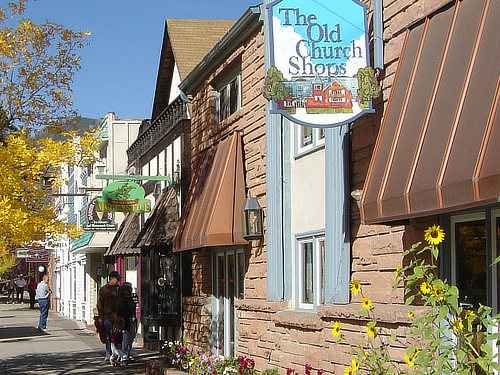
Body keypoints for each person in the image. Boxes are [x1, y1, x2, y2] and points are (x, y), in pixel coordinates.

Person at [97, 271, 120, 363]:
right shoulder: (103, 290)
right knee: (108, 336)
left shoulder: (119, 289)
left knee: (117, 335)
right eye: (117, 279)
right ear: (112, 279)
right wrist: (100, 316)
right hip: (107, 316)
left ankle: (117, 353)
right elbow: (99, 304)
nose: (118, 281)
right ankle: (108, 353)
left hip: (117, 317)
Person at [118, 282, 137, 365]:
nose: (129, 290)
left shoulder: (132, 298)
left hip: (132, 320)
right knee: (125, 338)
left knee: (131, 338)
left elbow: (135, 307)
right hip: (124, 321)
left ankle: (127, 354)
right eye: (128, 288)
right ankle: (124, 356)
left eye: (130, 288)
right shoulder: (120, 299)